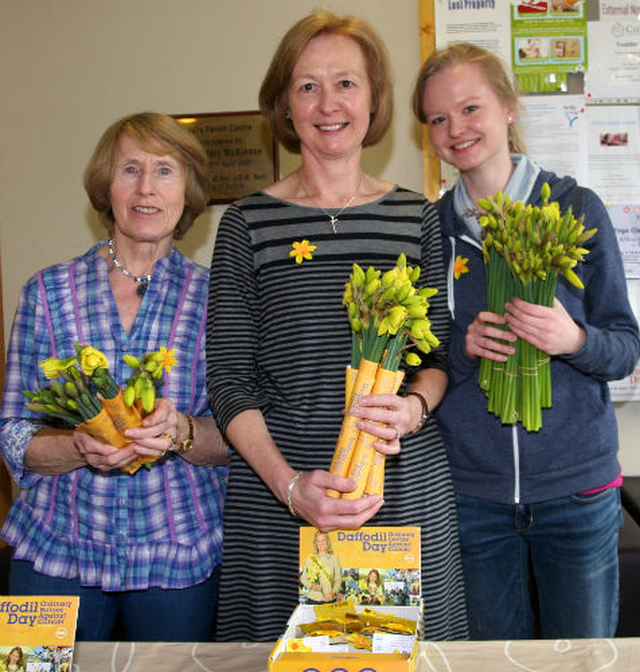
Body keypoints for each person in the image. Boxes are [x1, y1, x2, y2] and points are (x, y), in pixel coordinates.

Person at [206, 11, 468, 642]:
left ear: (374, 99)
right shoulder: (247, 224)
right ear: (284, 106)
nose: (329, 104)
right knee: (297, 655)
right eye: (307, 86)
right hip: (283, 505)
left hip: (398, 497)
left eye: (347, 83)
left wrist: (413, 410)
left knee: (394, 654)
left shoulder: (417, 217)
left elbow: (440, 358)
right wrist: (291, 487)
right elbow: (229, 379)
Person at [412, 42, 640, 639]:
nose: (455, 129)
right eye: (438, 118)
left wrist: (572, 340)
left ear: (507, 108)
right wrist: (462, 351)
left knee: (582, 658)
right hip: (474, 495)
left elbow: (624, 346)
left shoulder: (575, 209)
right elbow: (423, 356)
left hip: (578, 491)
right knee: (492, 658)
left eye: (470, 108)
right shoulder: (431, 231)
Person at [0, 112, 229, 641]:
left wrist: (181, 433)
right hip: (55, 551)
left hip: (177, 555)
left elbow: (239, 436)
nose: (146, 188)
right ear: (106, 185)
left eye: (165, 171)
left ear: (188, 191)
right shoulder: (47, 292)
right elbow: (13, 433)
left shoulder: (218, 298)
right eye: (129, 169)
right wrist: (78, 445)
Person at [300, 531, 343, 604]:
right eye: (318, 541)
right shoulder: (310, 559)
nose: (321, 543)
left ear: (327, 542)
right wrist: (312, 585)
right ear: (316, 543)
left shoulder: (334, 559)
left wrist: (332, 593)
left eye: (323, 540)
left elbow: (338, 580)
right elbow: (303, 578)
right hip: (313, 599)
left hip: (329, 599)